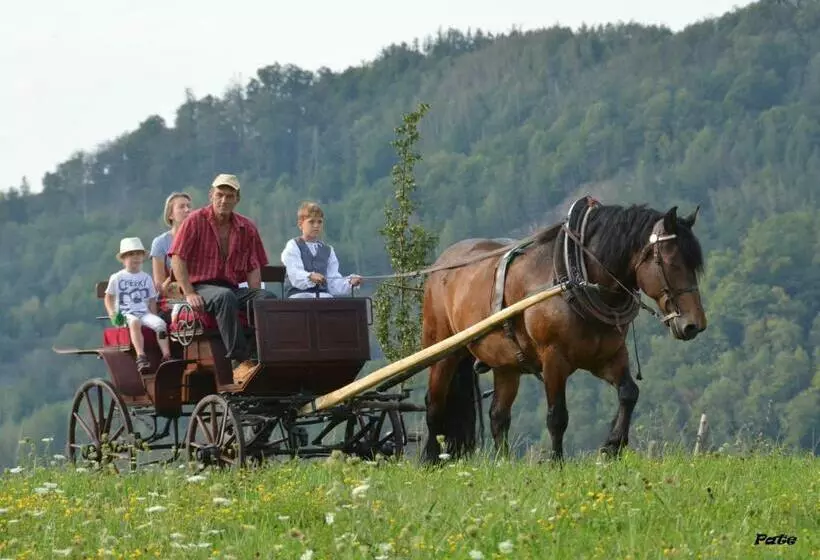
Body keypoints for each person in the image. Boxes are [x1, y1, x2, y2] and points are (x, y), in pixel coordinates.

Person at [168, 173, 275, 380]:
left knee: (266, 299)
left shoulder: (247, 227)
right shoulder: (195, 221)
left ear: (237, 199)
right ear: (211, 195)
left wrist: (255, 295)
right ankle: (240, 361)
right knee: (224, 296)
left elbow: (254, 266)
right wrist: (189, 292)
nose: (224, 200)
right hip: (200, 286)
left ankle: (261, 355)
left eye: (229, 196)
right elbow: (177, 258)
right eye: (220, 194)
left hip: (230, 287)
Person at [104, 237, 172, 374]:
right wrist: (112, 314)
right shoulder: (117, 277)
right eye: (130, 255)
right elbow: (108, 297)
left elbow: (152, 299)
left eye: (138, 254)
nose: (135, 258)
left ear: (142, 257)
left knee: (160, 324)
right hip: (125, 313)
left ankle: (166, 355)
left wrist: (153, 315)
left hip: (144, 312)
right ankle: (141, 356)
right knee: (134, 322)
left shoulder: (146, 277)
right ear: (123, 259)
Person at [281, 201, 362, 298]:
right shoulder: (293, 246)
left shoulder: (328, 250)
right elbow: (294, 273)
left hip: (322, 297)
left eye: (319, 222)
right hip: (298, 296)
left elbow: (333, 282)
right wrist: (310, 277)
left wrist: (350, 283)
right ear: (300, 224)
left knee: (329, 299)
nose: (316, 225)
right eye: (311, 221)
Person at [150, 192, 192, 300]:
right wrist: (177, 272)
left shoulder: (199, 238)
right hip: (173, 297)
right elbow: (160, 285)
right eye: (182, 207)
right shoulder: (160, 242)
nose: (187, 210)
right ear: (170, 215)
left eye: (188, 206)